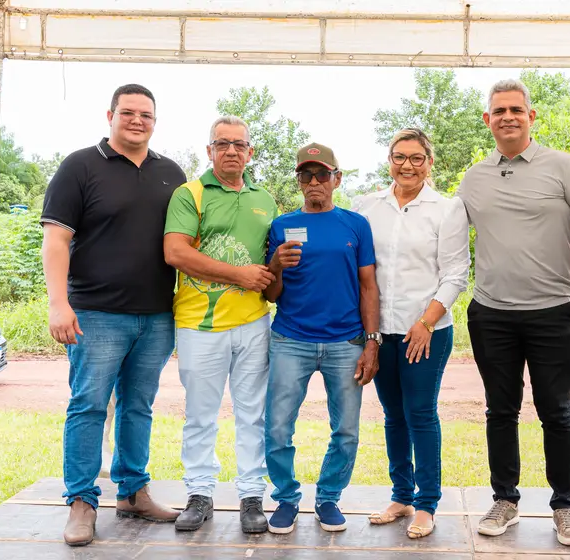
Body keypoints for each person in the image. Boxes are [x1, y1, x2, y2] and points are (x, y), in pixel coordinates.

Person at [456, 79, 570, 546]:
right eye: (499, 110)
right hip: (491, 314)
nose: (508, 117)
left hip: (552, 312)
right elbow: (442, 240)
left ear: (531, 116)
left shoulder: (563, 167)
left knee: (556, 412)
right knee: (500, 411)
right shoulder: (473, 178)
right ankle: (505, 500)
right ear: (488, 120)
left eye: (516, 110)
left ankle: (564, 507)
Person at [41, 84, 186, 547]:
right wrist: (58, 303)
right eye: (128, 112)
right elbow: (56, 240)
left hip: (157, 316)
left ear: (155, 121)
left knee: (138, 406)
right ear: (110, 116)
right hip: (96, 313)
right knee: (88, 405)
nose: (137, 120)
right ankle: (82, 502)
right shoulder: (80, 166)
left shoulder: (171, 173)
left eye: (146, 114)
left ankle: (133, 492)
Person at [163, 116, 278, 533]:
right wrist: (239, 275)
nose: (231, 150)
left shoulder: (265, 199)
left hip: (253, 322)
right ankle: (199, 494)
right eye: (222, 143)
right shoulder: (189, 194)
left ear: (250, 152)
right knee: (200, 415)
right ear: (209, 150)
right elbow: (175, 253)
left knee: (253, 414)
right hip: (199, 324)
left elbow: (271, 262)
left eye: (239, 144)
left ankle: (252, 496)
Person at [354, 128, 470, 539]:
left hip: (427, 332)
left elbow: (455, 274)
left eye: (416, 158)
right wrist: (368, 334)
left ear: (429, 162)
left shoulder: (448, 209)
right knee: (393, 415)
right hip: (380, 333)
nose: (408, 165)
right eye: (400, 157)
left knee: (420, 413)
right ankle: (401, 496)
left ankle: (426, 504)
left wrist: (426, 322)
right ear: (389, 161)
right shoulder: (366, 207)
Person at [263, 143, 380, 535]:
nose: (314, 182)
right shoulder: (281, 225)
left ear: (337, 179)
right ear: (298, 181)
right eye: (306, 175)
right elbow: (271, 294)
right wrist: (275, 265)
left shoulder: (356, 225)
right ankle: (286, 498)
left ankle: (329, 497)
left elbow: (368, 286)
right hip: (290, 340)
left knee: (346, 430)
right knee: (278, 427)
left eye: (322, 174)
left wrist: (372, 342)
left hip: (346, 343)